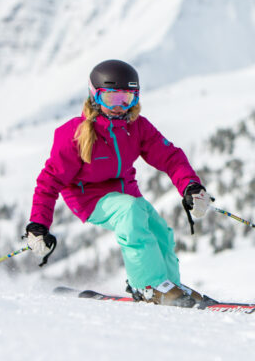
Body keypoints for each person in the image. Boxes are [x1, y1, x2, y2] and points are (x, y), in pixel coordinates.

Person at [23, 59, 213, 306]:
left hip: (126, 195)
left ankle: (169, 285)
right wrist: (38, 224)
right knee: (130, 212)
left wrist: (190, 186)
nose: (119, 106)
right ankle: (146, 285)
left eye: (127, 98)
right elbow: (49, 181)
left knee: (160, 232)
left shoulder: (136, 127)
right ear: (95, 97)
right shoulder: (74, 133)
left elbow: (170, 157)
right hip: (89, 199)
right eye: (111, 98)